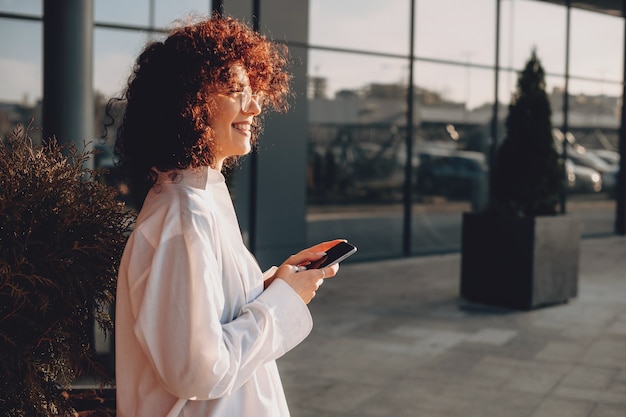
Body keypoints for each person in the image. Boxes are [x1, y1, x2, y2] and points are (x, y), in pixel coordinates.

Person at [111, 15, 342, 417]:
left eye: (253, 92)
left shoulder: (196, 202)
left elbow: (210, 315)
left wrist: (273, 284)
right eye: (236, 91)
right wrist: (284, 302)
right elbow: (197, 371)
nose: (254, 107)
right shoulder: (183, 218)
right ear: (188, 104)